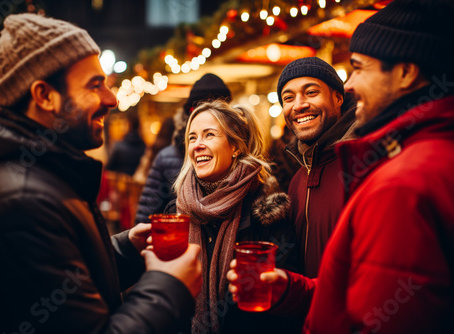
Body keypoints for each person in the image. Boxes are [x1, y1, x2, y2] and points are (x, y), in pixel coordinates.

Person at [0, 13, 202, 334]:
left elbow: (50, 279)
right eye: (94, 85)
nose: (112, 99)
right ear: (44, 96)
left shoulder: (17, 169)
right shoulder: (21, 199)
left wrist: (126, 251)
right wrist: (170, 287)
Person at [229, 0, 454, 332]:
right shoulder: (299, 177)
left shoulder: (392, 175)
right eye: (287, 97)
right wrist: (289, 290)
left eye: (358, 67)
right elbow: (357, 290)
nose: (351, 84)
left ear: (406, 72)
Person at [171, 100, 300, 333]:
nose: (197, 145)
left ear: (235, 147)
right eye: (192, 137)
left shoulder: (266, 210)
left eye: (209, 135)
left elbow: (281, 296)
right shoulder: (178, 211)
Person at [278, 57, 357, 278]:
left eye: (311, 92)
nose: (299, 105)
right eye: (288, 98)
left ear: (338, 97)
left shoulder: (363, 164)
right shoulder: (296, 181)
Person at [135, 73, 232, 223]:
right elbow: (146, 216)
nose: (207, 113)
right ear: (189, 114)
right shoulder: (167, 157)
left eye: (217, 108)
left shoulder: (246, 161)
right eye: (199, 108)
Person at [106, 107, 146, 176]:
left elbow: (109, 168)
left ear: (129, 125)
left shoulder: (119, 146)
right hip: (136, 184)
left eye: (124, 123)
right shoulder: (144, 146)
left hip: (120, 184)